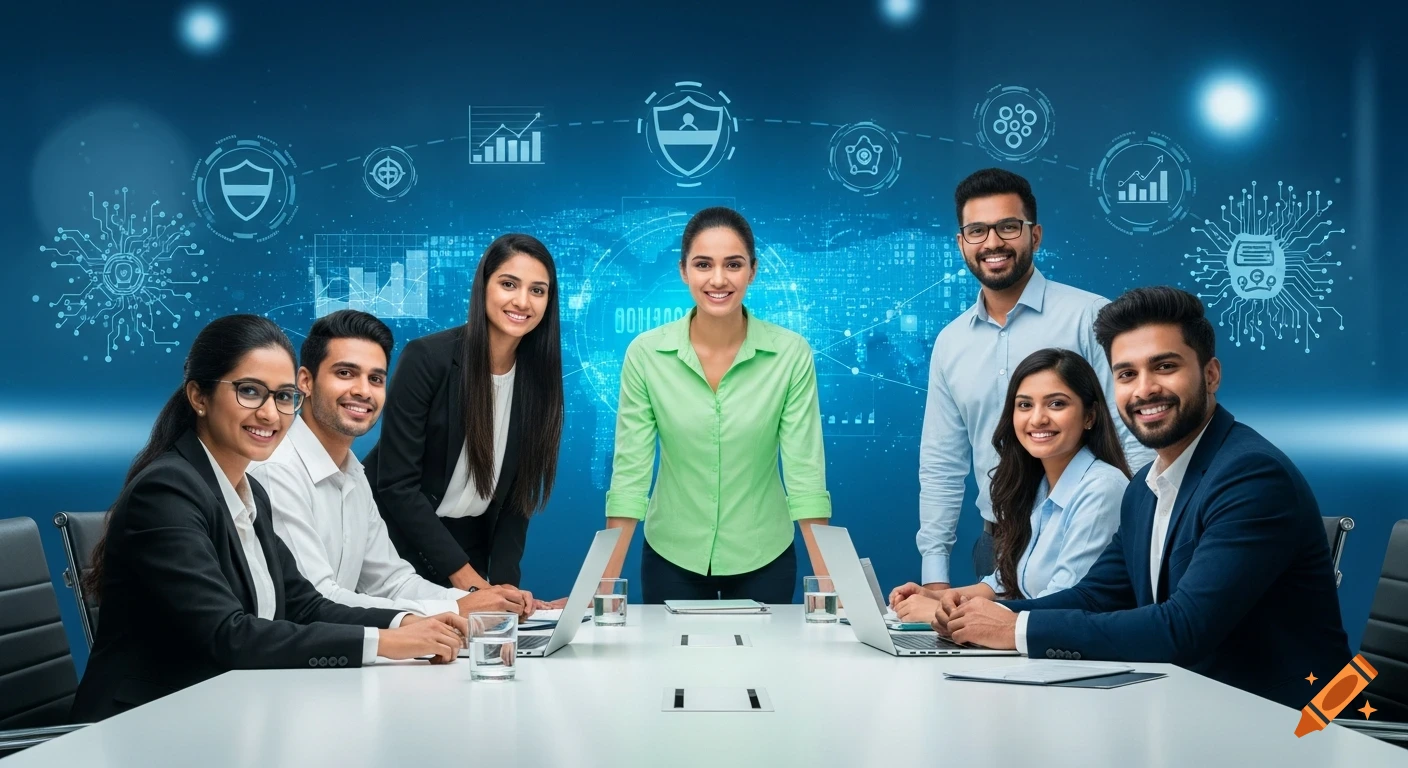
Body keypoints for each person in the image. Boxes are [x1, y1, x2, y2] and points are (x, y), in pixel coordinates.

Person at [940, 287, 1351, 707]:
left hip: (1298, 721)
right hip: (1201, 707)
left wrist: (1014, 630)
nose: (1145, 389)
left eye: (1165, 366)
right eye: (1126, 374)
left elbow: (1182, 628)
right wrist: (985, 616)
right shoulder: (1145, 488)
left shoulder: (1250, 476)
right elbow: (1095, 596)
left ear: (1210, 375)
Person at [72, 315, 467, 722]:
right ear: (199, 397)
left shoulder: (246, 491)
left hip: (220, 710)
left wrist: (407, 622)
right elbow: (227, 635)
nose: (270, 414)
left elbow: (304, 603)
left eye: (282, 397)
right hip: (143, 723)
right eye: (249, 392)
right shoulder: (168, 491)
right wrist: (382, 642)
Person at [914, 168, 1150, 593]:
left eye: (1008, 227)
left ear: (1034, 236)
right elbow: (941, 462)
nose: (992, 243)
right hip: (997, 543)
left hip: (1093, 532)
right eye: (976, 230)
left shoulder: (1091, 318)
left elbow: (1132, 435)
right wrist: (934, 574)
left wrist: (1139, 531)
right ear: (961, 243)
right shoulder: (950, 343)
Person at [601, 206, 831, 604]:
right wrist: (600, 586)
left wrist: (832, 582)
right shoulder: (646, 354)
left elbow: (805, 475)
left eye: (734, 264)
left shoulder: (791, 354)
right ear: (683, 271)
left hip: (765, 554)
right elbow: (630, 477)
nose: (718, 279)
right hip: (671, 555)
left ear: (753, 271)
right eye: (703, 264)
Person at [250, 310, 535, 621]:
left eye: (375, 378)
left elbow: (391, 581)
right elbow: (316, 599)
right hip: (286, 665)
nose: (362, 390)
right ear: (305, 381)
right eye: (345, 373)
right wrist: (454, 608)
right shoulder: (276, 472)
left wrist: (483, 600)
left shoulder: (354, 476)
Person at [366, 234, 564, 596]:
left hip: (468, 548)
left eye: (538, 290)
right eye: (508, 284)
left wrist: (505, 593)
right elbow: (396, 485)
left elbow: (516, 503)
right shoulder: (427, 358)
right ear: (483, 286)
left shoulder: (539, 381)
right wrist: (470, 582)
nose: (523, 301)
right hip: (395, 545)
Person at [889, 348, 1130, 620]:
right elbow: (1004, 583)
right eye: (1025, 405)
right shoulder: (1038, 486)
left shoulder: (1102, 488)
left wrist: (945, 612)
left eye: (1056, 404)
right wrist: (937, 597)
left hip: (1071, 654)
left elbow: (1064, 603)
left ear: (1090, 416)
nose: (1037, 418)